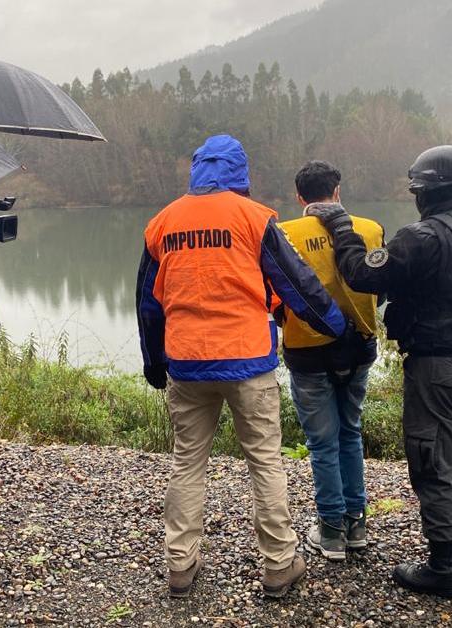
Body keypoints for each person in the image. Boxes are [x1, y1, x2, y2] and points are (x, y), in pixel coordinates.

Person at [137, 135, 347, 599]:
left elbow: (148, 304)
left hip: (187, 364)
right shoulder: (254, 219)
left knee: (187, 462)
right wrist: (335, 326)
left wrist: (155, 362)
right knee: (265, 462)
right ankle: (278, 565)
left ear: (196, 170)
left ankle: (180, 565)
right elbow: (296, 282)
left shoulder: (162, 223)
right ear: (240, 174)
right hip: (248, 362)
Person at [311, 146, 452, 598]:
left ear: (425, 191)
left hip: (439, 371)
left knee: (434, 465)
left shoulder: (423, 237)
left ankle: (443, 568)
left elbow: (361, 275)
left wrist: (342, 227)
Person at [277, 161, 384, 561]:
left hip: (308, 351)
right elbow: (380, 288)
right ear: (337, 191)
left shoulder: (284, 233)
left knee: (322, 444)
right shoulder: (371, 229)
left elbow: (276, 291)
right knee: (350, 432)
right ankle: (357, 524)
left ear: (299, 197)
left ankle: (331, 530)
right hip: (360, 347)